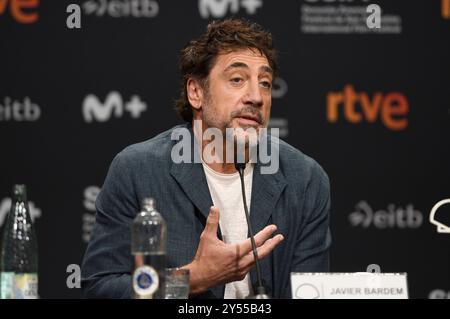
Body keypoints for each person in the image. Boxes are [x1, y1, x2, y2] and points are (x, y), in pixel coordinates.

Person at [81, 18, 331, 299]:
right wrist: (190, 281)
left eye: (265, 83)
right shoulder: (137, 170)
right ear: (196, 93)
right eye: (237, 79)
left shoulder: (306, 179)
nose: (256, 97)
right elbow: (99, 290)